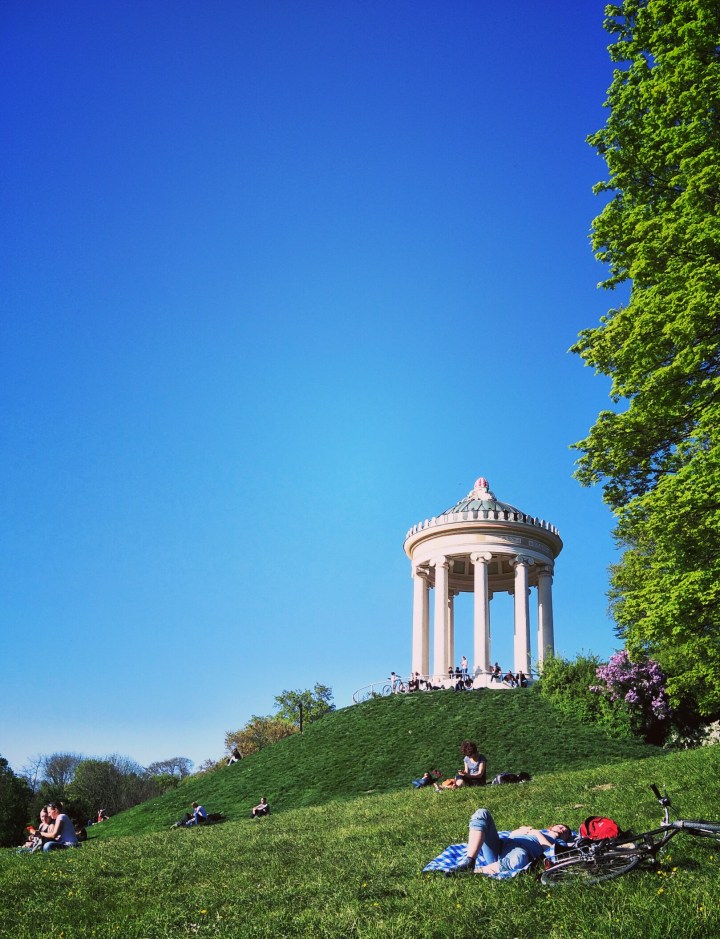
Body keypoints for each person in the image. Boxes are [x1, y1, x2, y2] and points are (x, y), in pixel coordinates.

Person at [451, 807, 572, 875]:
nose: (562, 830)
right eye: (561, 827)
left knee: (520, 858)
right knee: (482, 813)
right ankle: (470, 861)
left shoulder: (559, 843)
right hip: (501, 845)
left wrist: (535, 832)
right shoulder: (537, 830)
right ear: (551, 827)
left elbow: (550, 852)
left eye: (566, 832)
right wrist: (522, 831)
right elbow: (512, 834)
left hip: (519, 852)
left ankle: (472, 872)